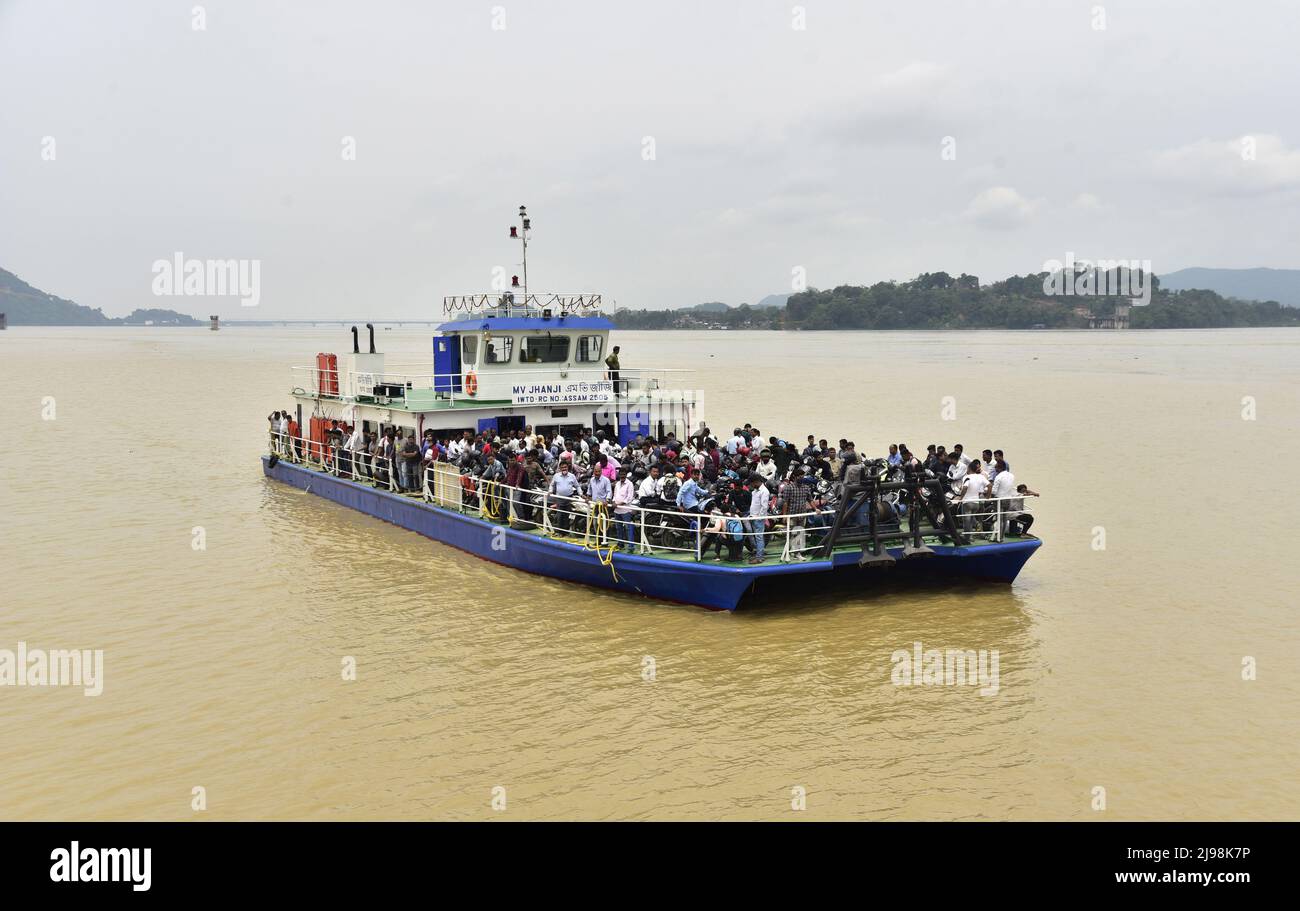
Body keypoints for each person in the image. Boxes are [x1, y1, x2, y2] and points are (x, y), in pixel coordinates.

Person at [958, 459, 989, 532]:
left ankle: (968, 537)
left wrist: (961, 498)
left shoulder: (967, 477)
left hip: (967, 502)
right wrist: (988, 496)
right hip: (976, 502)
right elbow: (990, 485)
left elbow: (965, 487)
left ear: (969, 468)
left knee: (966, 521)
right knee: (972, 519)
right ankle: (976, 527)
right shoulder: (980, 476)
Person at [747, 475, 770, 564]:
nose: (751, 485)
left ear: (756, 482)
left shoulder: (764, 491)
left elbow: (764, 507)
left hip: (758, 519)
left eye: (752, 483)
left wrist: (759, 517)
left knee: (759, 538)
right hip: (753, 517)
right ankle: (760, 555)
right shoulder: (755, 491)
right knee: (759, 538)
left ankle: (759, 557)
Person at [612, 467, 637, 549]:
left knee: (628, 528)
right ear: (619, 475)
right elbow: (615, 495)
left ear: (626, 475)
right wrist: (614, 502)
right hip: (617, 510)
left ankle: (631, 545)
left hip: (625, 510)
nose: (622, 476)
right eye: (621, 474)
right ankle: (620, 544)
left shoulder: (630, 484)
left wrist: (619, 503)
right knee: (618, 528)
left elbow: (629, 498)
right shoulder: (617, 484)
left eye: (624, 474)